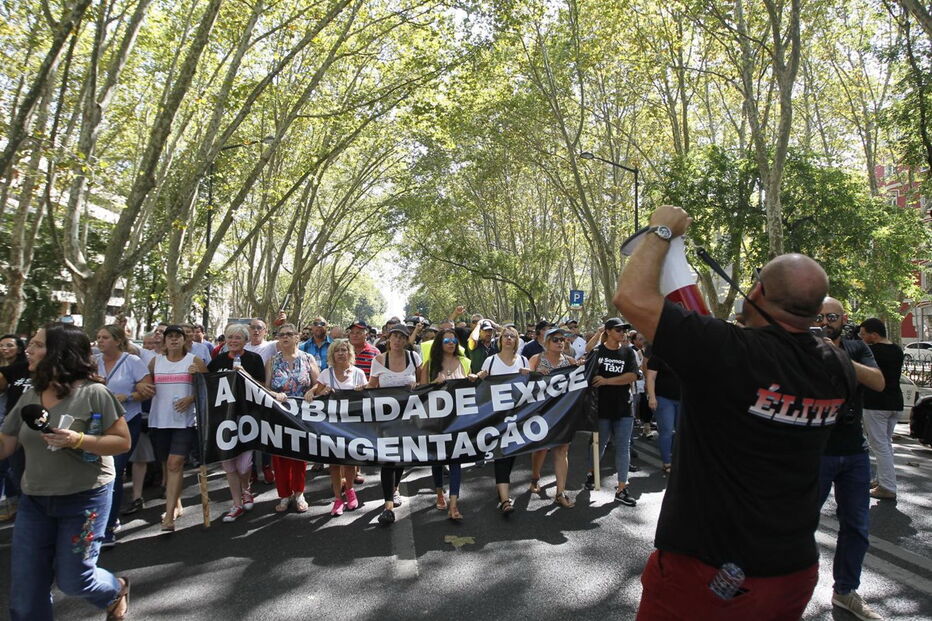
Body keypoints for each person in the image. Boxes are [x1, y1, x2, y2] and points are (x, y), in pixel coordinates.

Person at [615, 205, 855, 621]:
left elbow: (631, 298)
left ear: (757, 292)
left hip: (708, 572)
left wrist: (661, 230)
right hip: (792, 571)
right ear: (817, 312)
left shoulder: (732, 353)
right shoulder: (838, 366)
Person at [0, 322, 131, 620]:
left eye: (37, 344)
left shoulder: (95, 393)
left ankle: (115, 590)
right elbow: (5, 443)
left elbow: (122, 442)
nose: (28, 349)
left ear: (60, 352)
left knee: (75, 580)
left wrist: (78, 440)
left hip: (84, 501)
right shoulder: (31, 393)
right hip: (34, 501)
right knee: (26, 590)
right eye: (30, 344)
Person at [816, 299, 885, 620]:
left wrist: (838, 355)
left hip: (853, 451)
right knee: (797, 522)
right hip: (814, 449)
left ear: (844, 319)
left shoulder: (857, 348)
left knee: (857, 526)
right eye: (819, 316)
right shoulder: (802, 346)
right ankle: (786, 587)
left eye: (831, 316)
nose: (825, 321)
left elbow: (878, 381)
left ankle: (845, 590)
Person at [94, 325, 154, 547]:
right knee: (95, 472)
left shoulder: (133, 362)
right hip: (96, 425)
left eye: (105, 337)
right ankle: (95, 521)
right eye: (98, 337)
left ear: (118, 341)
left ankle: (108, 526)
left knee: (114, 472)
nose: (100, 341)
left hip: (126, 422)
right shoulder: (93, 362)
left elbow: (148, 389)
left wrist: (127, 396)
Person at [148, 324, 208, 532]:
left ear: (185, 340)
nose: (173, 340)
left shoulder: (194, 361)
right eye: (170, 337)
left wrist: (192, 395)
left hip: (184, 422)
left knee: (175, 463)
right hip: (159, 421)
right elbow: (145, 385)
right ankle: (177, 503)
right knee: (168, 464)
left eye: (177, 337)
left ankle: (169, 515)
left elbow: (208, 388)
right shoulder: (156, 362)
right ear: (164, 340)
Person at [207, 323, 265, 522]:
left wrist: (244, 375)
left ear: (245, 341)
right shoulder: (217, 361)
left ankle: (246, 489)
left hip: (247, 416)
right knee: (229, 464)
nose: (233, 341)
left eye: (237, 338)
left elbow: (262, 387)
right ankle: (236, 503)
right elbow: (208, 386)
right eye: (229, 337)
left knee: (244, 464)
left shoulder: (254, 359)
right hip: (224, 419)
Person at [583, 318, 639, 506]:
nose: (622, 333)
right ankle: (592, 473)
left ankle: (622, 488)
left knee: (623, 447)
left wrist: (607, 381)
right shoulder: (598, 352)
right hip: (601, 408)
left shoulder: (629, 352)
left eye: (624, 330)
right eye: (618, 330)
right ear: (607, 331)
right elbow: (587, 374)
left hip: (624, 407)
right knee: (600, 445)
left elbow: (632, 376)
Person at [306, 339, 366, 516]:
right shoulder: (326, 373)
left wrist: (362, 390)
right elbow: (316, 394)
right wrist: (318, 392)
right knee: (333, 464)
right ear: (332, 355)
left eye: (344, 350)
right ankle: (338, 499)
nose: (341, 353)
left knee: (349, 462)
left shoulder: (359, 373)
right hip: (331, 426)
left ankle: (350, 491)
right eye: (337, 351)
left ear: (350, 353)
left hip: (352, 425)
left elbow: (368, 395)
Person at [369, 325, 421, 526]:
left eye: (402, 337)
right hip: (386, 419)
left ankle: (396, 487)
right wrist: (356, 389)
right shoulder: (379, 360)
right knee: (388, 460)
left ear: (406, 340)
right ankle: (388, 507)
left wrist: (419, 386)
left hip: (409, 418)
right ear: (388, 338)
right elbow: (371, 386)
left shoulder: (414, 358)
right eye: (394, 337)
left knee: (401, 459)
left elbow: (423, 383)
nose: (398, 340)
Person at [475, 324, 530, 514]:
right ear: (500, 340)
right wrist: (478, 376)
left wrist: (528, 375)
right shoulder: (490, 361)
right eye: (505, 336)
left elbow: (533, 387)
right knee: (501, 455)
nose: (508, 339)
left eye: (512, 336)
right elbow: (481, 384)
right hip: (496, 418)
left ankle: (502, 489)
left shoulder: (523, 361)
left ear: (516, 341)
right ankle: (505, 499)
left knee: (510, 454)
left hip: (517, 417)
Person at [421, 328, 474, 520]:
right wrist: (434, 383)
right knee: (438, 459)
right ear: (439, 344)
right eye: (446, 341)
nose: (451, 343)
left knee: (456, 461)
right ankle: (438, 493)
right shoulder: (430, 364)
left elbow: (471, 391)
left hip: (458, 421)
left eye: (454, 340)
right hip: (436, 420)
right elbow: (420, 393)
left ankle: (454, 504)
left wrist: (473, 379)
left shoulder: (465, 362)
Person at [266, 324, 319, 513]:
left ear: (297, 337)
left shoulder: (308, 358)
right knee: (280, 457)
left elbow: (318, 384)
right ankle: (284, 495)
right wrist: (274, 394)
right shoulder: (272, 361)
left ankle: (299, 493)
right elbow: (266, 387)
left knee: (299, 455)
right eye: (281, 335)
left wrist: (311, 392)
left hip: (301, 415)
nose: (285, 337)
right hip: (279, 414)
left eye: (290, 334)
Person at [528, 328, 578, 508]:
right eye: (556, 339)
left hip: (563, 413)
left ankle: (560, 492)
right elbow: (526, 384)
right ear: (547, 342)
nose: (560, 342)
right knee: (541, 448)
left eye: (563, 340)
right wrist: (530, 374)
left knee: (562, 449)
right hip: (541, 412)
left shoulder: (571, 362)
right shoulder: (536, 359)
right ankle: (535, 478)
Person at [858, 317, 905, 501]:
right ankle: (883, 480)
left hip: (876, 403)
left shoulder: (871, 351)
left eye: (864, 334)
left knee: (879, 445)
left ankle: (887, 487)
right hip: (895, 402)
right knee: (885, 444)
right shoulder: (897, 350)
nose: (861, 338)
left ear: (874, 335)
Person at [0, 334, 29, 522]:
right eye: (1, 345)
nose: (4, 348)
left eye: (9, 345)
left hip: (33, 428)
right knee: (10, 467)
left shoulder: (32, 368)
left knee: (17, 469)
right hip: (10, 424)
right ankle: (16, 503)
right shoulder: (8, 371)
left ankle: (24, 504)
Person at [645, 346, 681, 474]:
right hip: (664, 398)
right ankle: (667, 462)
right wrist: (652, 397)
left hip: (682, 399)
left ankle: (677, 458)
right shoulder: (658, 355)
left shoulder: (686, 354)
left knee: (681, 431)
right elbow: (650, 378)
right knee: (666, 430)